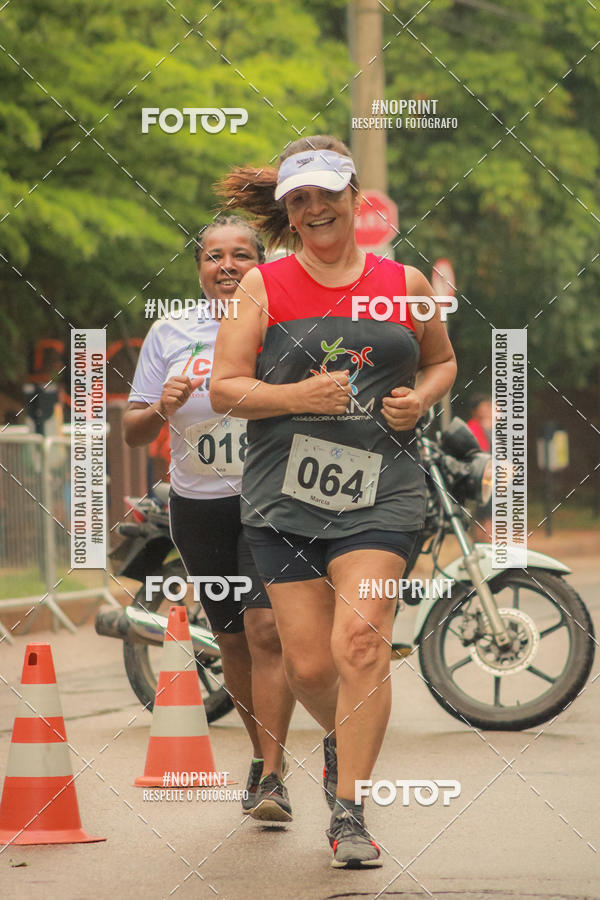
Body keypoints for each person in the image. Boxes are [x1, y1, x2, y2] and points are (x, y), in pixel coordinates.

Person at [210, 136, 457, 867]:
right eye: (299, 200)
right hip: (282, 499)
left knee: (361, 642)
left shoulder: (404, 282)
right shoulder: (265, 287)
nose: (315, 209)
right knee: (311, 666)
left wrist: (422, 400)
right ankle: (338, 749)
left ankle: (349, 808)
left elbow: (442, 361)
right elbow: (226, 388)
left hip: (384, 492)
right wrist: (296, 396)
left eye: (326, 194)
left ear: (356, 199)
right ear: (289, 211)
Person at [123, 215, 295, 813]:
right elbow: (131, 430)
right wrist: (161, 406)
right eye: (212, 257)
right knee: (232, 640)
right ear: (199, 269)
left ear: (261, 261)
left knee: (266, 629)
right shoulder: (171, 332)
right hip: (198, 507)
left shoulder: (282, 325)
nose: (225, 266)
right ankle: (260, 756)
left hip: (270, 499)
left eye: (240, 255)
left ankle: (273, 774)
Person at [467, 394, 493, 540]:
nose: (485, 411)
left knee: (488, 513)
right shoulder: (473, 428)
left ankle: (486, 541)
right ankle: (482, 542)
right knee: (482, 514)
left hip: (488, 476)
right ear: (475, 410)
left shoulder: (486, 428)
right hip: (480, 476)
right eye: (482, 408)